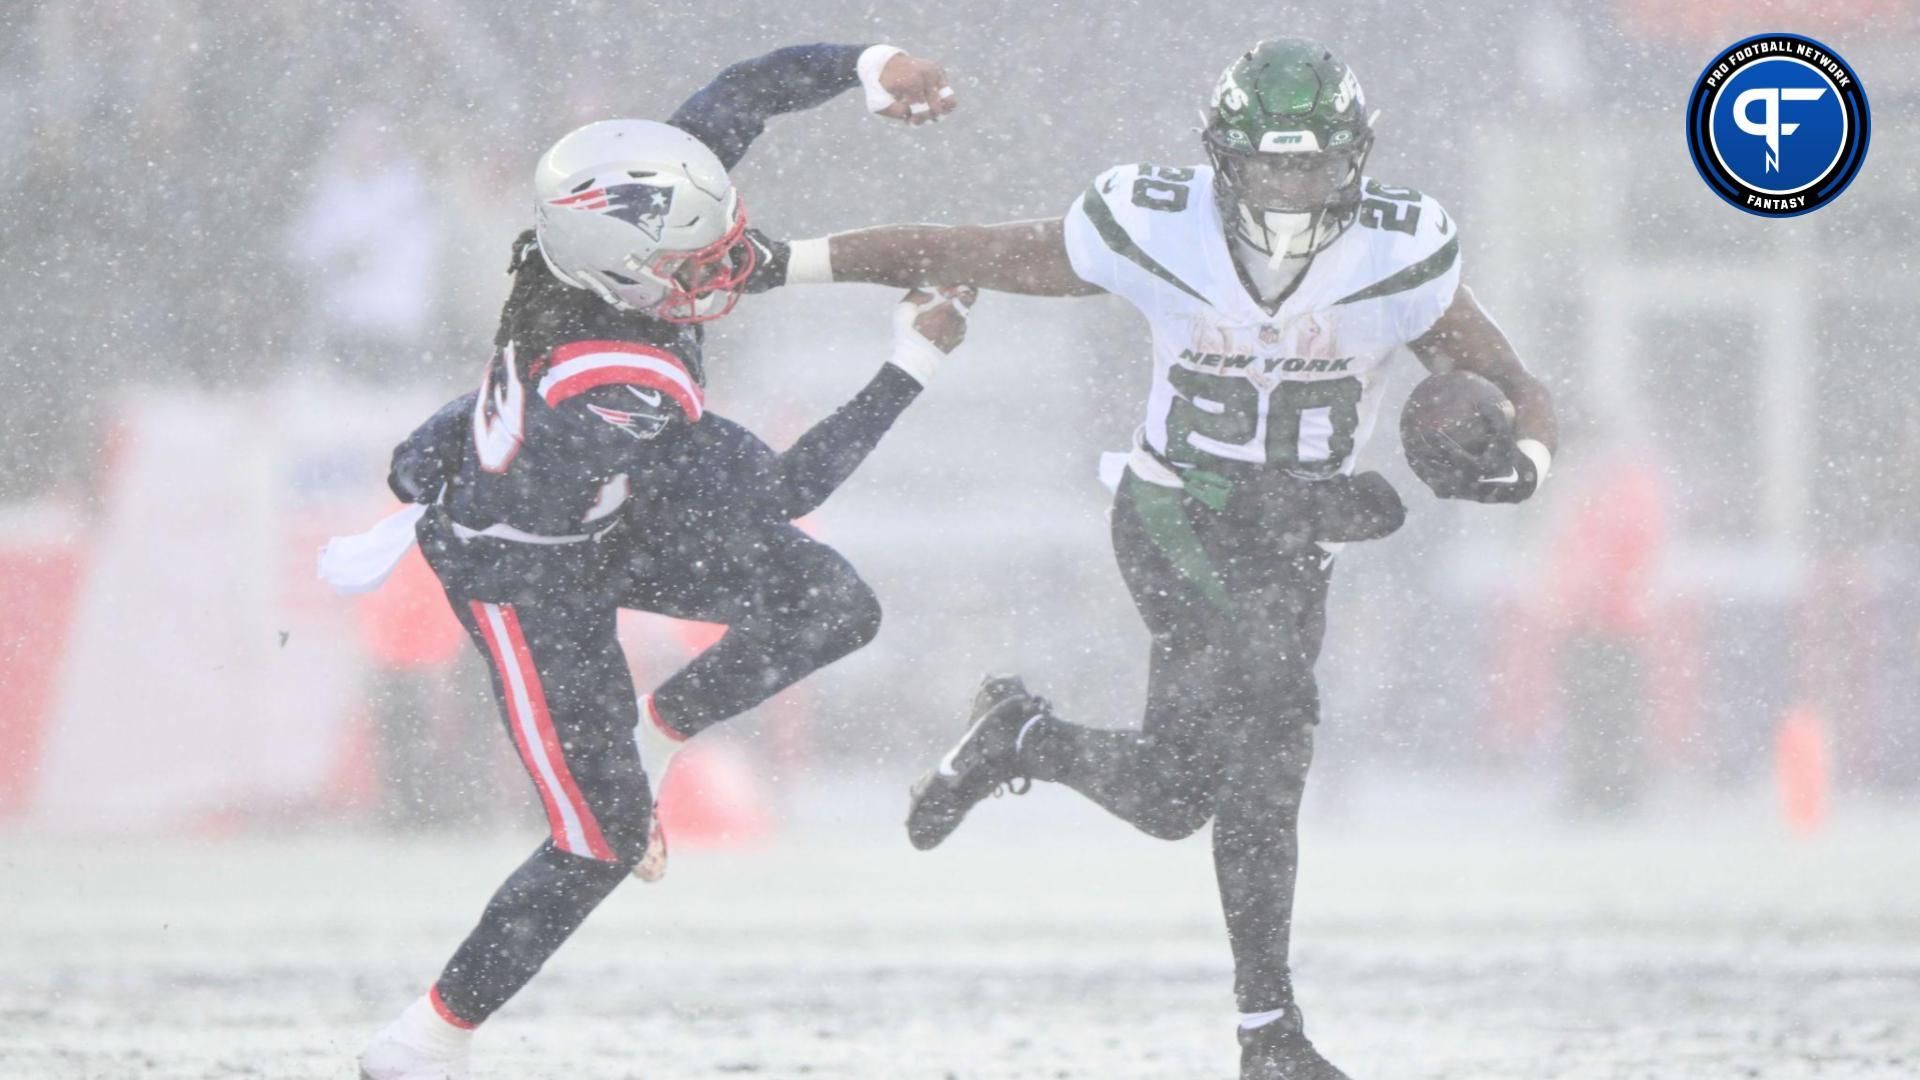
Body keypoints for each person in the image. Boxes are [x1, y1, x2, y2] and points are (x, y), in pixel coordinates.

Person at [774, 37, 1558, 1080]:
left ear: (1357, 159)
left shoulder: (1402, 251)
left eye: (1313, 165)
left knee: (1183, 796)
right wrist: (783, 262)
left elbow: (1520, 386)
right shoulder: (1156, 224)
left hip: (1296, 543)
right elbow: (962, 244)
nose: (1291, 187)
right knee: (1275, 724)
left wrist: (1527, 467)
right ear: (1224, 160)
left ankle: (1024, 739)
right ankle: (1270, 1035)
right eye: (1272, 164)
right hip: (1178, 512)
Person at [347, 42, 967, 1080]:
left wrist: (870, 64)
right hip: (528, 580)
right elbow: (785, 490)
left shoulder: (597, 243)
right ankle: (420, 1043)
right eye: (701, 260)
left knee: (831, 602)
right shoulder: (624, 382)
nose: (731, 262)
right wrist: (913, 362)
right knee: (598, 839)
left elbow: (741, 93)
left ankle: (662, 723)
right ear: (626, 278)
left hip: (603, 512)